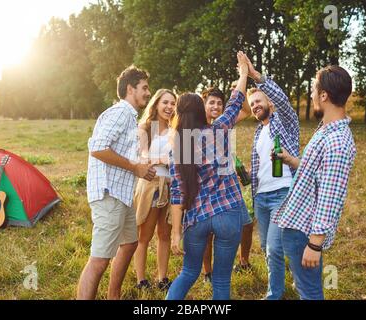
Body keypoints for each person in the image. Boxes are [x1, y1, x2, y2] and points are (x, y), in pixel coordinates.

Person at [166, 51, 249, 300]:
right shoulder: (219, 130)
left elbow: (178, 195)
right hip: (227, 213)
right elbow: (235, 103)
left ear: (179, 115)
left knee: (188, 273)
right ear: (201, 111)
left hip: (197, 219)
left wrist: (175, 232)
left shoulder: (177, 150)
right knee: (222, 280)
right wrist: (244, 73)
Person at [272, 65, 356, 300]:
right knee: (304, 290)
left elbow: (329, 198)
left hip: (305, 233)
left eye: (313, 90)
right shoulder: (326, 130)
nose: (310, 95)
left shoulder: (338, 142)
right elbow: (317, 174)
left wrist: (315, 245)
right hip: (298, 227)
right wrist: (290, 160)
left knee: (309, 293)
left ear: (324, 95)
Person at [77, 66, 155, 300]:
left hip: (123, 195)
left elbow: (120, 152)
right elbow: (98, 148)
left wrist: (141, 167)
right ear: (130, 89)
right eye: (144, 88)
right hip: (109, 194)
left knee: (130, 243)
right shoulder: (120, 112)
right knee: (99, 260)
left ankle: (114, 296)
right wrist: (135, 167)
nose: (148, 93)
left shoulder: (130, 118)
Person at [245, 55, 300, 299]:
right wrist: (247, 174)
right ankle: (297, 277)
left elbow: (284, 101)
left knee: (274, 247)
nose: (256, 105)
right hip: (261, 197)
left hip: (283, 192)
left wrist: (255, 75)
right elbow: (261, 167)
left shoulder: (285, 122)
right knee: (268, 248)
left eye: (259, 101)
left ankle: (274, 294)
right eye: (252, 103)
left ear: (269, 101)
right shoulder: (258, 133)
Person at [200, 85, 254, 283]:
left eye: (219, 103)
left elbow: (246, 111)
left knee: (246, 224)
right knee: (209, 234)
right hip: (210, 189)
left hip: (229, 184)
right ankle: (208, 272)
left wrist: (243, 94)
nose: (215, 106)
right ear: (203, 105)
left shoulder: (225, 122)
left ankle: (244, 262)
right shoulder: (199, 127)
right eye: (211, 102)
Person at [133, 89, 176, 290]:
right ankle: (141, 280)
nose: (169, 107)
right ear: (157, 103)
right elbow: (141, 158)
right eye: (165, 102)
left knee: (165, 234)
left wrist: (164, 161)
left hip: (170, 185)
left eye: (173, 104)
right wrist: (162, 160)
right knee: (144, 235)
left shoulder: (175, 129)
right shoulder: (145, 128)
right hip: (151, 185)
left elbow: (180, 159)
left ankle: (162, 278)